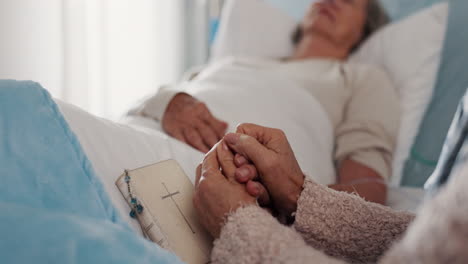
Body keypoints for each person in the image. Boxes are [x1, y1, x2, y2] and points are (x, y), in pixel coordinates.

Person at [129, 0, 395, 204]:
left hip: (215, 183)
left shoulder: (359, 79)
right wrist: (170, 103)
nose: (331, 0)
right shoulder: (232, 63)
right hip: (137, 134)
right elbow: (146, 102)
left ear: (364, 30)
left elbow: (367, 192)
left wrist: (289, 195)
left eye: (349, 1)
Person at [193, 123, 468, 264]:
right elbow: (429, 244)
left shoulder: (362, 78)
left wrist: (240, 225)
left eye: (353, 7)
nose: (325, 8)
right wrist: (298, 195)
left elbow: (371, 184)